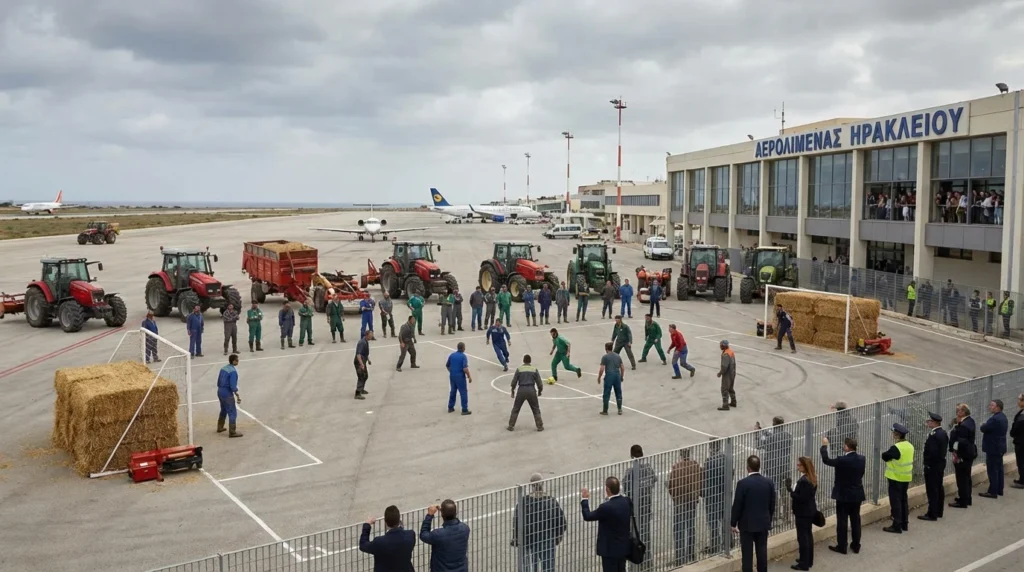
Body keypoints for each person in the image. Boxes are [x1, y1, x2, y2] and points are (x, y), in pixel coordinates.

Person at [819, 437, 865, 555]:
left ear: (847, 447)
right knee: (855, 520)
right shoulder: (861, 459)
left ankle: (842, 546)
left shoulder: (842, 460)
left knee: (842, 521)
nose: (843, 446)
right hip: (856, 494)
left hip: (843, 495)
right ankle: (856, 545)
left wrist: (824, 446)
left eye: (844, 445)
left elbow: (826, 460)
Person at [730, 455, 775, 572]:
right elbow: (772, 504)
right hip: (763, 523)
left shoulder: (743, 484)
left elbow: (737, 505)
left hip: (747, 525)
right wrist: (768, 519)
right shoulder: (768, 483)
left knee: (747, 556)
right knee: (762, 553)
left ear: (748, 468)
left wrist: (733, 523)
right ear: (759, 467)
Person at [512, 473, 566, 572]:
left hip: (528, 540)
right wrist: (558, 537)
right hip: (547, 539)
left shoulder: (524, 501)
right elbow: (561, 521)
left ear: (531, 485)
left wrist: (516, 538)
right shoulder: (551, 501)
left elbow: (516, 520)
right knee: (548, 567)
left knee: (528, 567)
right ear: (543, 484)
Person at [580, 477, 631, 572]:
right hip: (623, 547)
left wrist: (584, 499)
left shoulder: (606, 507)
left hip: (610, 550)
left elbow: (587, 516)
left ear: (607, 489)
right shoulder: (626, 501)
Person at [667, 447, 701, 565]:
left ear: (681, 455)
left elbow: (671, 485)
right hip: (692, 499)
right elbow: (700, 481)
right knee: (691, 526)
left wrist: (674, 497)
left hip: (680, 500)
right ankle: (691, 554)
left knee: (679, 529)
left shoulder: (677, 467)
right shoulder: (695, 465)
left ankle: (680, 558)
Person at [757, 417, 793, 522]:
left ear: (773, 424)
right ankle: (787, 516)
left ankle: (775, 516)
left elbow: (760, 445)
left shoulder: (771, 438)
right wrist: (767, 433)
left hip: (772, 467)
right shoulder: (788, 436)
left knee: (774, 492)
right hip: (785, 467)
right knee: (785, 491)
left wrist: (761, 435)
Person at [623, 444, 657, 552]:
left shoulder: (630, 473)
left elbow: (626, 489)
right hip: (646, 507)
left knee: (635, 536)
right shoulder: (648, 469)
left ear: (632, 456)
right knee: (646, 535)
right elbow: (654, 480)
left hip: (635, 511)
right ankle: (647, 562)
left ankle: (637, 563)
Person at [360, 505, 415, 572]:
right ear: (399, 520)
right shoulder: (410, 535)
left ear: (386, 523)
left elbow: (363, 545)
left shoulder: (379, 542)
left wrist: (367, 525)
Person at [420, 499, 470, 572]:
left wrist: (429, 515)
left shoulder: (438, 534)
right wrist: (446, 511)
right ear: (455, 513)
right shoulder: (465, 528)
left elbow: (423, 535)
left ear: (442, 514)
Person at [881, 423, 913, 533]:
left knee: (895, 502)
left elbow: (885, 456)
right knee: (904, 500)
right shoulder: (910, 446)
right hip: (906, 478)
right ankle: (905, 523)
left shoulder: (896, 447)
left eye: (893, 433)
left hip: (895, 478)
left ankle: (897, 525)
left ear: (896, 435)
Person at [788, 457, 818, 571]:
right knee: (808, 536)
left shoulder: (804, 481)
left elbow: (801, 498)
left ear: (805, 466)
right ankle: (807, 559)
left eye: (799, 465)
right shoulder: (812, 478)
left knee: (803, 537)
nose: (797, 466)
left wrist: (791, 491)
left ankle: (804, 563)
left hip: (803, 512)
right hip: (809, 511)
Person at [919, 411, 949, 521]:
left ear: (935, 423)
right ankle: (938, 511)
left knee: (932, 490)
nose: (927, 423)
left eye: (929, 421)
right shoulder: (943, 433)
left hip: (933, 466)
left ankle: (932, 513)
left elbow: (932, 452)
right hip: (939, 465)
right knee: (938, 488)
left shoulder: (935, 435)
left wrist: (927, 463)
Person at [948, 403, 977, 508]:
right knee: (966, 477)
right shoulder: (970, 421)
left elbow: (961, 442)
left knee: (962, 479)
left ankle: (963, 501)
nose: (956, 413)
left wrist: (955, 451)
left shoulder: (964, 426)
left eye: (958, 411)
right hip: (969, 454)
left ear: (963, 412)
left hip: (963, 455)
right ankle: (967, 497)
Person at [702, 439, 727, 556]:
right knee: (725, 519)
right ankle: (728, 542)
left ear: (711, 448)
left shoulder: (709, 462)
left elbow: (705, 479)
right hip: (724, 494)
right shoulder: (726, 459)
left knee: (713, 522)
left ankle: (715, 546)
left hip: (712, 496)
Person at [979, 399, 1008, 499]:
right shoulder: (1003, 417)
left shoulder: (994, 419)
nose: (990, 407)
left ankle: (993, 491)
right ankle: (999, 489)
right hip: (1000, 447)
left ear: (998, 407)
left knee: (992, 470)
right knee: (999, 469)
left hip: (993, 448)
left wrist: (982, 425)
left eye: (992, 405)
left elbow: (984, 428)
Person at [508, 355, 544, 432]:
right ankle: (539, 426)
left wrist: (512, 390)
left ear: (523, 361)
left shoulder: (519, 369)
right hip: (531, 390)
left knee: (516, 408)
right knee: (535, 409)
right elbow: (539, 383)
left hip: (521, 390)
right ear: (530, 361)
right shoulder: (534, 369)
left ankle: (511, 425)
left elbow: (514, 382)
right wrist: (540, 391)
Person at [216, 354, 243, 438]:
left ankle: (220, 427)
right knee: (232, 412)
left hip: (220, 391)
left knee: (223, 409)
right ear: (234, 361)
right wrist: (236, 393)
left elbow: (218, 380)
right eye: (237, 360)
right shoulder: (233, 372)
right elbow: (232, 386)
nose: (238, 362)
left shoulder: (223, 368)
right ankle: (232, 432)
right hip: (227, 393)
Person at [598, 342, 625, 416]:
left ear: (606, 348)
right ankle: (619, 409)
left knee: (606, 393)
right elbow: (622, 367)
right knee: (618, 392)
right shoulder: (617, 356)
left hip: (609, 376)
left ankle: (605, 410)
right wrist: (621, 376)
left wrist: (599, 377)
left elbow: (602, 369)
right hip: (617, 375)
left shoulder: (605, 357)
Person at [445, 342, 472, 415]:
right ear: (463, 348)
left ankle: (450, 407)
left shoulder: (452, 355)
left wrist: (452, 371)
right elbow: (465, 368)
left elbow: (447, 365)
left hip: (452, 376)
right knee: (463, 392)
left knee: (453, 391)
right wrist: (469, 376)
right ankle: (464, 409)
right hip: (460, 377)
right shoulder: (463, 356)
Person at [716, 340, 737, 411]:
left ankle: (725, 405)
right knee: (731, 388)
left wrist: (720, 373)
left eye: (720, 345)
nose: (720, 346)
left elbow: (724, 366)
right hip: (732, 373)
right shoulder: (730, 352)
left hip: (727, 374)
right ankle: (734, 401)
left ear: (723, 345)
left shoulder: (725, 354)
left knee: (724, 389)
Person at [354, 330, 373, 400]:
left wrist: (368, 360)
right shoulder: (362, 343)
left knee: (365, 376)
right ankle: (357, 393)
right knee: (361, 376)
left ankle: (361, 389)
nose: (372, 336)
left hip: (363, 361)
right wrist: (361, 364)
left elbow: (365, 353)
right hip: (359, 362)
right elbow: (358, 355)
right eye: (371, 335)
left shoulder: (366, 341)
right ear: (367, 335)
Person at [1011, 393, 1024, 489]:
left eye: (1019, 399)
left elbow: (1016, 429)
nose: (1018, 401)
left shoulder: (1022, 417)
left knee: (1021, 461)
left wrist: (1013, 433)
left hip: (1021, 442)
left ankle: (1022, 481)